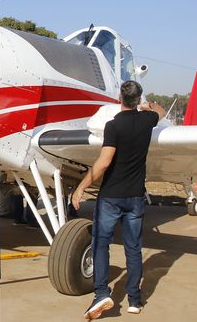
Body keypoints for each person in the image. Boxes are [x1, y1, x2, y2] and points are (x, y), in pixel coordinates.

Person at [71, 81, 165, 320]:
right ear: (138, 98)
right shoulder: (147, 121)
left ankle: (101, 293)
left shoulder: (113, 126)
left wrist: (81, 187)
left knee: (101, 244)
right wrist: (147, 107)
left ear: (119, 98)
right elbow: (161, 111)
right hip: (135, 197)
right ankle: (134, 300)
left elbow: (103, 163)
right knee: (134, 248)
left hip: (111, 197)